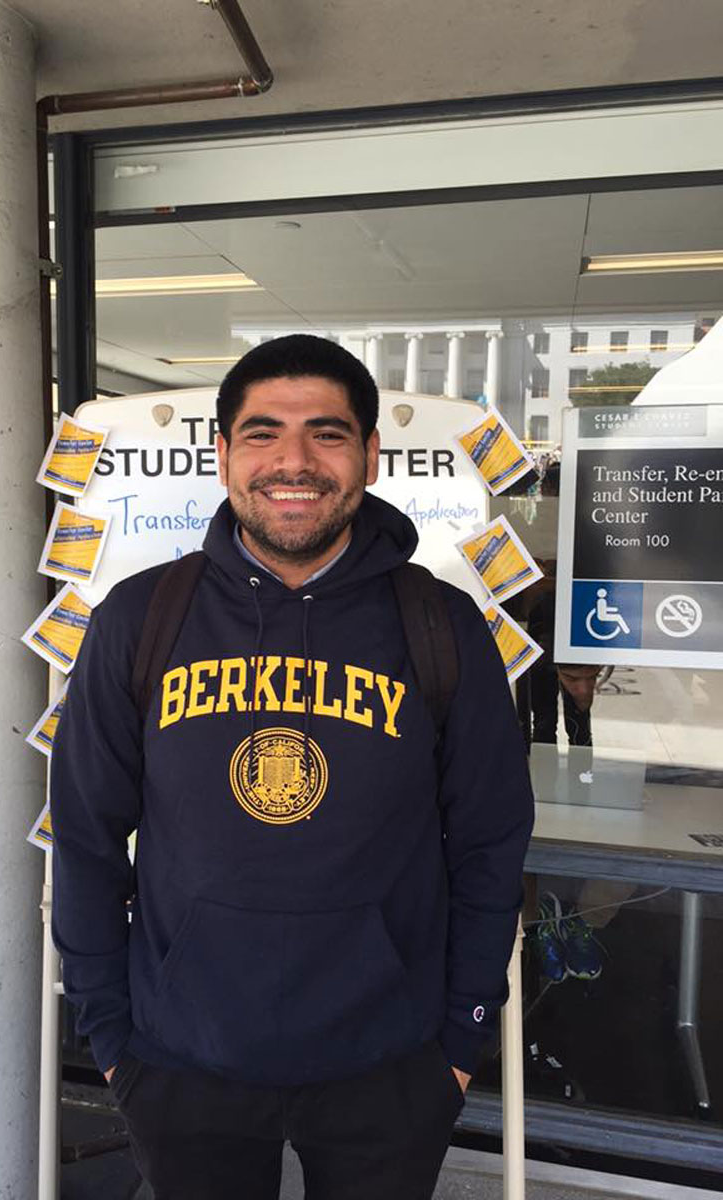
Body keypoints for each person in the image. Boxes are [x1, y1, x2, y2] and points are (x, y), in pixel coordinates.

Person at [50, 334, 535, 1200]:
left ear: (371, 456)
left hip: (390, 1065)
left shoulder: (443, 626)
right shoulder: (140, 618)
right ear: (225, 454)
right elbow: (84, 836)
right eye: (263, 433)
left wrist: (461, 1040)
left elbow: (491, 842)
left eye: (329, 433)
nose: (294, 462)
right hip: (179, 1060)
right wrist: (112, 1042)